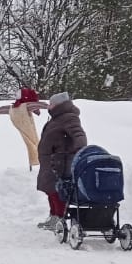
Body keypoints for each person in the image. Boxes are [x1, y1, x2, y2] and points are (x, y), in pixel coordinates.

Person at [36, 92, 88, 230]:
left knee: (56, 190)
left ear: (59, 105)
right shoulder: (56, 118)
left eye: (51, 104)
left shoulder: (69, 118)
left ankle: (59, 218)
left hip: (60, 161)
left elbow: (79, 134)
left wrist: (80, 150)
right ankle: (53, 216)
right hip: (50, 160)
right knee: (49, 189)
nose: (49, 106)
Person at [0, 88, 47, 170]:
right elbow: (38, 105)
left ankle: (34, 163)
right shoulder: (26, 106)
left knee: (32, 144)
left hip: (24, 131)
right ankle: (35, 164)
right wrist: (50, 107)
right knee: (33, 144)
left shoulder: (12, 108)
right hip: (28, 131)